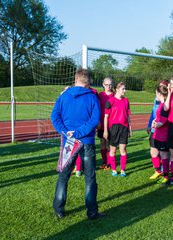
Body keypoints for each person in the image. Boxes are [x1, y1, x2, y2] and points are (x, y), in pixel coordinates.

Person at [50, 68, 106, 219]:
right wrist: (79, 133)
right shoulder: (92, 97)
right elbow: (94, 120)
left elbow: (54, 116)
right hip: (86, 141)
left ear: (75, 80)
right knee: (90, 177)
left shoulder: (64, 96)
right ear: (89, 82)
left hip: (69, 140)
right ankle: (92, 211)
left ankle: (59, 209)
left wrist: (65, 131)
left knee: (64, 175)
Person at [103, 82, 132, 177]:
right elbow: (106, 117)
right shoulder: (110, 101)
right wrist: (106, 130)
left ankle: (123, 170)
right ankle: (114, 169)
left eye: (125, 88)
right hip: (113, 128)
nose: (125, 90)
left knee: (123, 149)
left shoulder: (126, 100)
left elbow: (128, 116)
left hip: (124, 128)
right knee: (113, 150)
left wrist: (130, 128)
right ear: (117, 89)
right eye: (123, 89)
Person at [149, 85, 170, 183]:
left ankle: (166, 176)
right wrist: (154, 121)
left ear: (160, 94)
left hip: (163, 134)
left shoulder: (165, 106)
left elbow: (164, 121)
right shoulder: (161, 104)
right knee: (153, 152)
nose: (155, 95)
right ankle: (158, 170)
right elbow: (158, 118)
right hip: (156, 133)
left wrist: (156, 125)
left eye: (156, 93)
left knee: (164, 155)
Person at [98, 77, 114, 170]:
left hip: (111, 124)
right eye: (107, 84)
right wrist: (98, 121)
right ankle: (104, 161)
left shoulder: (114, 95)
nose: (109, 86)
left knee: (109, 144)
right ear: (103, 84)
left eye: (110, 84)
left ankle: (109, 162)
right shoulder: (100, 95)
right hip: (101, 123)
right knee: (102, 143)